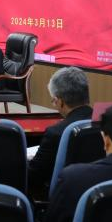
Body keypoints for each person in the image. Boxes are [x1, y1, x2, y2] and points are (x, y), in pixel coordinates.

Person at [28, 67, 93, 196]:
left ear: (60, 102)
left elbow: (34, 176)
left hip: (63, 197)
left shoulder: (56, 133)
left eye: (53, 100)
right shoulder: (105, 123)